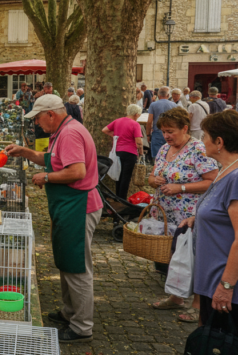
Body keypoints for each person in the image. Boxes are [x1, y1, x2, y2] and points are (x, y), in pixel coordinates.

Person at [5, 94, 101, 343]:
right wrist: (25, 152)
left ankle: (81, 327)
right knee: (67, 262)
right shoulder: (62, 130)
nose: (37, 123)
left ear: (51, 114)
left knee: (77, 266)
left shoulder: (69, 133)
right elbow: (52, 161)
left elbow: (76, 171)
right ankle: (70, 312)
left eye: (38, 118)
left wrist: (45, 178)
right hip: (70, 205)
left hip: (79, 206)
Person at [149, 107, 218, 321]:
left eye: (171, 131)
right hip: (165, 214)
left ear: (185, 128)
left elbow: (213, 181)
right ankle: (176, 296)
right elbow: (152, 176)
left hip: (189, 215)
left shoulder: (197, 148)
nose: (167, 136)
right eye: (163, 132)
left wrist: (181, 188)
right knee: (174, 256)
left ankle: (197, 306)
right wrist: (153, 181)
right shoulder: (163, 149)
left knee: (193, 257)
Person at [182, 110, 238, 329]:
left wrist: (226, 285)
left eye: (204, 135)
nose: (201, 140)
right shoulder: (225, 171)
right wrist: (199, 218)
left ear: (219, 142)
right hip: (211, 279)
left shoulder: (235, 178)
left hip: (226, 285)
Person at [102, 104, 144, 198]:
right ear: (136, 114)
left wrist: (115, 136)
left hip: (117, 151)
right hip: (130, 152)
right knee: (126, 177)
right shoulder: (135, 124)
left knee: (118, 175)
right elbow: (139, 141)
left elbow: (104, 130)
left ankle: (118, 197)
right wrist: (141, 152)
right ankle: (122, 199)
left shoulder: (118, 121)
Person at [147, 86, 177, 159]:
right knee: (170, 155)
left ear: (158, 95)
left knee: (157, 157)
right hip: (170, 132)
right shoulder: (174, 105)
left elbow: (149, 121)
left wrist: (148, 135)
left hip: (157, 132)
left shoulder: (153, 105)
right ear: (168, 95)